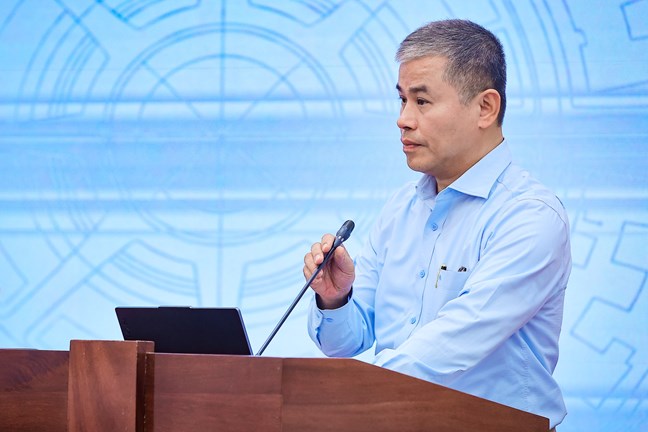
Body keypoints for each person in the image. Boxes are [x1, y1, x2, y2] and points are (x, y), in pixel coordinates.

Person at [303, 19, 571, 430]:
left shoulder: (530, 216)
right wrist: (335, 299)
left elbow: (455, 342)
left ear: (485, 108)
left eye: (422, 101)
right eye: (402, 100)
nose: (403, 119)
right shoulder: (401, 209)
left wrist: (339, 397)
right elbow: (346, 342)